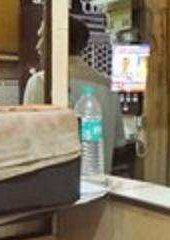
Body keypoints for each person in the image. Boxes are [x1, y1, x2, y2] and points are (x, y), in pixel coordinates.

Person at [23, 16, 129, 166]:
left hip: (55, 185)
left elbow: (28, 143)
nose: (37, 47)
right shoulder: (107, 85)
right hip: (99, 183)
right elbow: (119, 145)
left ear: (57, 40)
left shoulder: (41, 82)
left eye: (42, 38)